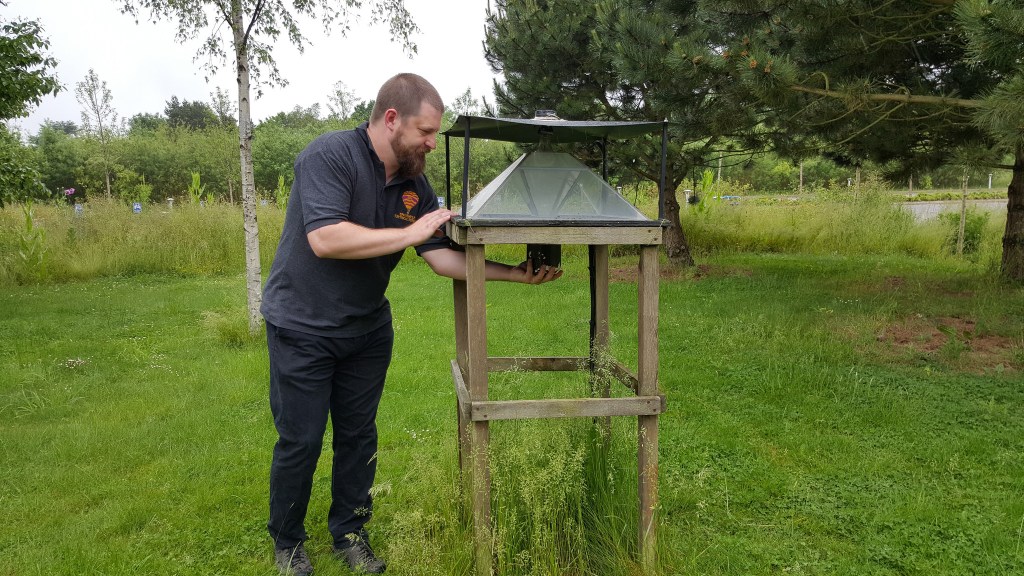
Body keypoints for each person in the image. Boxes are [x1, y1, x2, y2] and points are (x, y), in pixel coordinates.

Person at [260, 72, 562, 576]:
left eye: (434, 133)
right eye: (425, 131)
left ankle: (350, 534)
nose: (431, 142)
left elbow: (440, 257)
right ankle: (288, 541)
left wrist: (514, 274)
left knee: (359, 436)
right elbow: (326, 239)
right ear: (391, 119)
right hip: (302, 326)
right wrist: (411, 233)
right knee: (302, 439)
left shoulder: (413, 183)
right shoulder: (329, 156)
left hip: (366, 330)